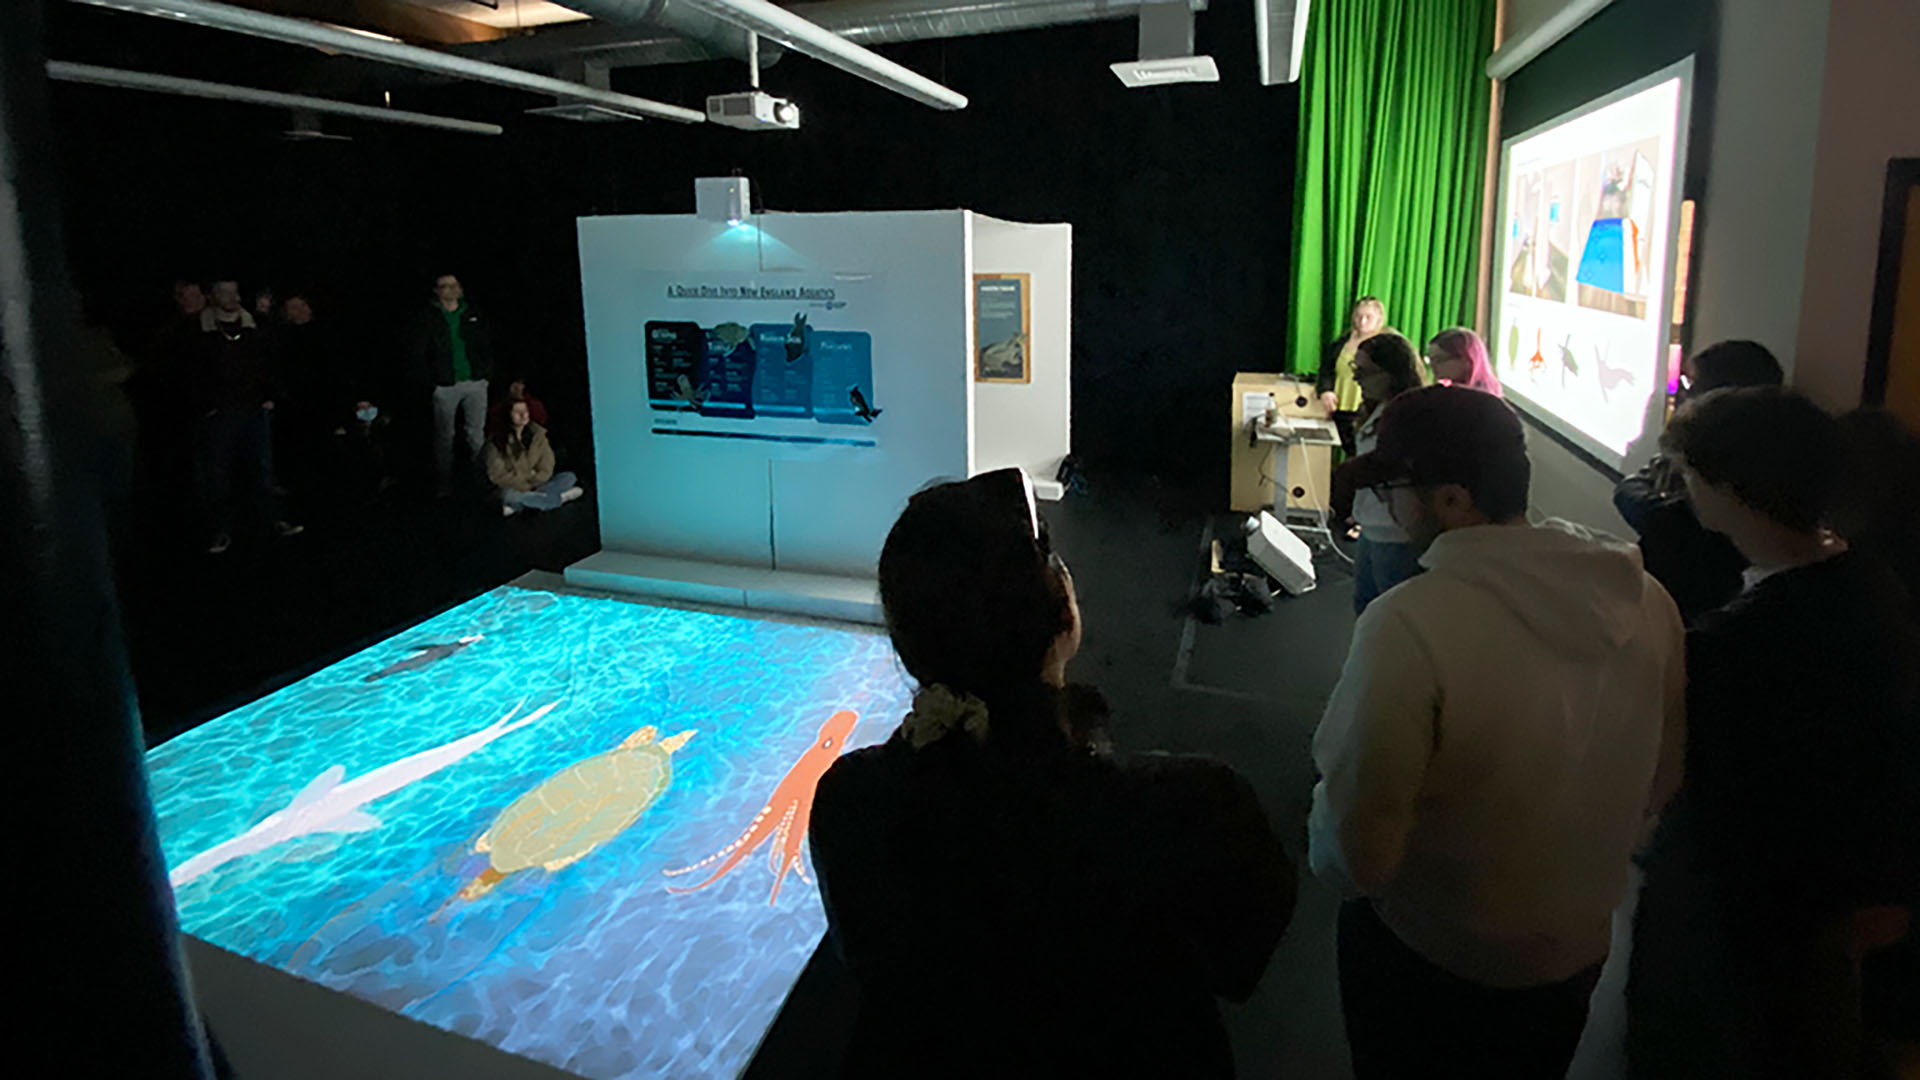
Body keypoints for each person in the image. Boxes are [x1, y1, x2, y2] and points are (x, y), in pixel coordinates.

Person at [810, 468, 1295, 1078]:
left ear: (906, 641)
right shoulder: (1196, 810)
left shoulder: (851, 803)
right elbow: (1240, 960)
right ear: (1064, 616)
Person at [1308, 386, 1686, 1078]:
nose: (1387, 508)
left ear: (1451, 500)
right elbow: (1663, 777)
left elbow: (1359, 849)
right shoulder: (1647, 599)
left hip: (1432, 961)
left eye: (1394, 489)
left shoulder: (1408, 624)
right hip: (1574, 954)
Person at [1627, 387, 1920, 1080]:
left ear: (1732, 488)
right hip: (1817, 917)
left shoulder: (1737, 643)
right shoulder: (1870, 587)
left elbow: (1690, 786)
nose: (1685, 493)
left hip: (1734, 921)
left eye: (1691, 477)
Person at [1613, 340, 1783, 623]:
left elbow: (1637, 500)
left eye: (1693, 386)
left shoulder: (1736, 477)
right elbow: (1634, 488)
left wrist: (1665, 515)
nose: (1682, 395)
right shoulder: (1685, 451)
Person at [195, 279, 301, 552]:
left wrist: (270, 394)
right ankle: (221, 530)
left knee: (263, 470)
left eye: (234, 292)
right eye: (224, 292)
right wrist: (207, 405)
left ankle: (273, 521)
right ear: (213, 295)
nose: (231, 297)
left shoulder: (254, 327)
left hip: (253, 408)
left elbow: (268, 361)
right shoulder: (201, 330)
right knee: (219, 476)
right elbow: (192, 370)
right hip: (221, 413)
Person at [1331, 333, 1428, 612]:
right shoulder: (1377, 408)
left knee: (1392, 615)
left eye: (1364, 372)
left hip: (1397, 536)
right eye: (1354, 370)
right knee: (1365, 608)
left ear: (1392, 374)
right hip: (1372, 527)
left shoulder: (1410, 416)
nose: (1357, 379)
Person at [411, 273, 495, 497]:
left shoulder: (473, 313)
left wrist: (486, 374)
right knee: (444, 436)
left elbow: (486, 344)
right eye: (444, 286)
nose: (450, 289)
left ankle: (484, 480)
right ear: (437, 291)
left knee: (476, 435)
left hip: (475, 382)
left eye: (454, 285)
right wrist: (432, 382)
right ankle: (444, 483)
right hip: (445, 385)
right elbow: (419, 352)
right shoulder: (428, 317)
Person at [1316, 296, 1390, 453]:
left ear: (1379, 319)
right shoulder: (1341, 342)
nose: (1362, 321)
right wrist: (1325, 390)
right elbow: (1326, 370)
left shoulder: (1385, 345)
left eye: (1368, 317)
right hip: (1339, 407)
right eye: (1358, 316)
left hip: (1366, 410)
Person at [484, 400, 581, 516]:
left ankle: (523, 504)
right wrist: (527, 481)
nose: (523, 415)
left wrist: (535, 479)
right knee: (507, 495)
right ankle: (556, 499)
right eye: (517, 412)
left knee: (569, 477)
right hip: (512, 487)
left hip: (537, 484)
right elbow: (498, 475)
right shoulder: (496, 442)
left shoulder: (537, 435)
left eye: (525, 411)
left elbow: (547, 465)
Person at [1425, 327, 1503, 396]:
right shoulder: (1448, 390)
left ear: (1467, 360)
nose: (1432, 365)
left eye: (1439, 359)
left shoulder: (1481, 399)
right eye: (1430, 359)